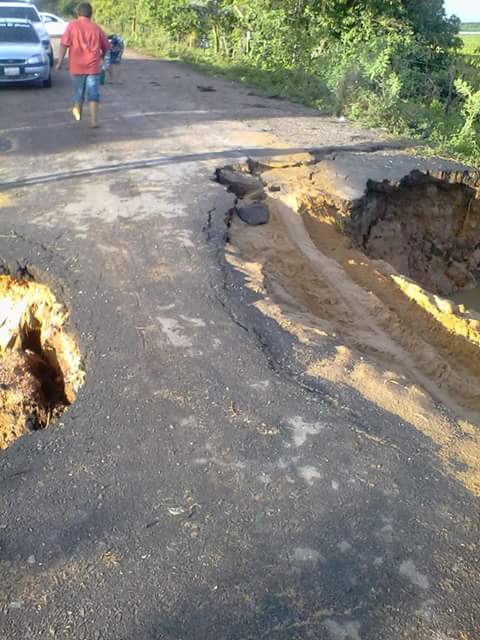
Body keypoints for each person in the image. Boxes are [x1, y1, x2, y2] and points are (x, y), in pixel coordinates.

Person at [56, 2, 110, 128]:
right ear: (91, 14)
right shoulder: (96, 28)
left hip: (76, 67)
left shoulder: (71, 26)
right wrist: (101, 58)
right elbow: (107, 47)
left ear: (77, 13)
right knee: (93, 94)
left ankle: (77, 111)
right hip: (93, 67)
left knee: (78, 92)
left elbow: (64, 44)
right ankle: (94, 121)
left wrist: (59, 62)